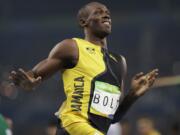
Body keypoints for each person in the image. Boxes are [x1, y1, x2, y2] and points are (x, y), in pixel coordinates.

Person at [9, 2, 158, 135]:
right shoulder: (71, 47)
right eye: (98, 12)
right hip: (73, 126)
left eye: (107, 13)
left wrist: (133, 95)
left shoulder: (120, 62)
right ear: (83, 22)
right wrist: (27, 82)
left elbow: (113, 117)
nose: (106, 15)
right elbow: (34, 74)